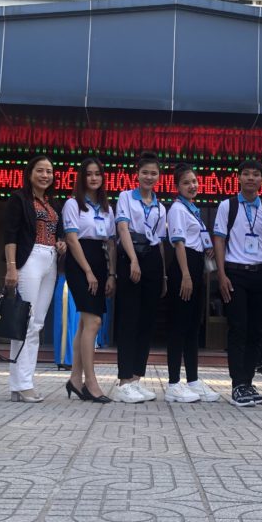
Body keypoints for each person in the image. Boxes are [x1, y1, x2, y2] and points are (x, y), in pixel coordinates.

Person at [2, 154, 66, 402]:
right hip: (28, 260)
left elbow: (58, 233)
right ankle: (21, 383)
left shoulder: (53, 203)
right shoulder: (19, 199)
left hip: (49, 261)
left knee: (37, 324)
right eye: (40, 170)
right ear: (30, 174)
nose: (45, 175)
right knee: (24, 322)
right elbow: (10, 235)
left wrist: (61, 244)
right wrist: (11, 268)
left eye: (49, 171)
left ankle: (23, 381)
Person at [214, 159, 262, 408]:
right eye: (246, 174)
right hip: (235, 273)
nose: (251, 178)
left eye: (256, 174)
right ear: (238, 178)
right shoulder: (228, 205)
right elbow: (219, 240)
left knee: (257, 330)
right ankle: (238, 384)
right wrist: (221, 274)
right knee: (238, 328)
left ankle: (248, 381)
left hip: (261, 273)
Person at [113, 152, 167, 403]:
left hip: (154, 260)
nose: (149, 177)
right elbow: (123, 227)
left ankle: (136, 378)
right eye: (145, 172)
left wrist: (164, 274)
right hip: (131, 256)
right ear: (137, 173)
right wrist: (133, 259)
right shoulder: (125, 197)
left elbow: (161, 243)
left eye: (153, 173)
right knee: (129, 319)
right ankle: (124, 380)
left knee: (147, 321)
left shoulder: (160, 206)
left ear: (159, 176)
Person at [61, 157, 117, 403]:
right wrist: (88, 272)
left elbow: (112, 242)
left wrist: (111, 273)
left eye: (98, 174)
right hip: (79, 262)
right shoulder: (73, 204)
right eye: (89, 174)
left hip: (100, 260)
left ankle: (75, 379)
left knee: (86, 323)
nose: (94, 178)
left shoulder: (106, 207)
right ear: (82, 178)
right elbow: (72, 240)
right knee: (93, 321)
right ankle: (90, 382)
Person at [165, 163, 220, 403]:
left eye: (195, 181)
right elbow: (178, 244)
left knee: (192, 327)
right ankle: (174, 383)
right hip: (183, 268)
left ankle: (194, 379)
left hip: (196, 266)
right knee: (178, 326)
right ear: (177, 186)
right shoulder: (177, 209)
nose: (192, 186)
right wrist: (186, 275)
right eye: (186, 182)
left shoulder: (193, 209)